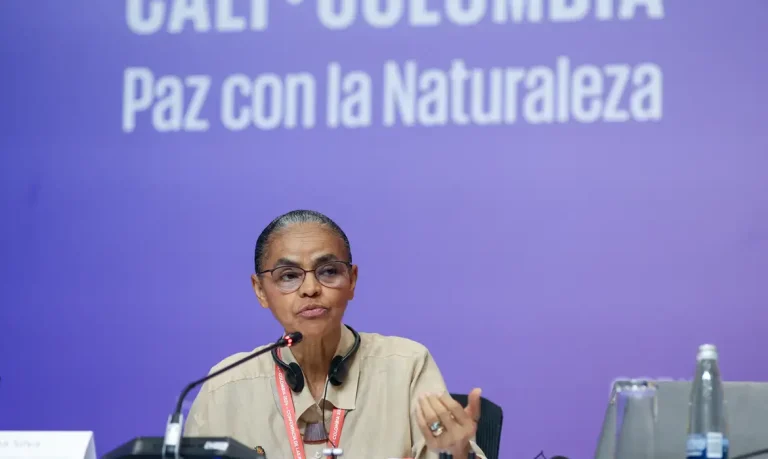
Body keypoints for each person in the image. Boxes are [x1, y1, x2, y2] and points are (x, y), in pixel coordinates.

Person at [185, 210, 487, 459]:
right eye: (289, 276)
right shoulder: (224, 387)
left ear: (352, 281)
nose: (310, 289)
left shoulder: (406, 366)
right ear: (261, 291)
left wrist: (456, 452)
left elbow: (446, 447)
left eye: (328, 271)